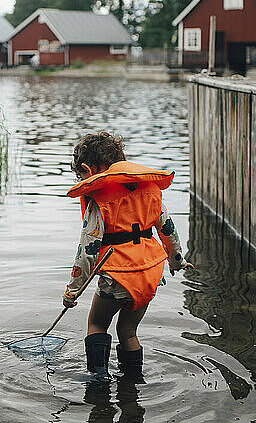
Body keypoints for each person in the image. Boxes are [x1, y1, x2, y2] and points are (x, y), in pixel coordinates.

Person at [63, 131, 194, 383]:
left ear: (87, 169)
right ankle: (133, 383)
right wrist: (176, 261)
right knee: (128, 331)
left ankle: (98, 383)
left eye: (81, 176)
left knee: (97, 324)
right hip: (149, 275)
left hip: (118, 276)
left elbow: (88, 250)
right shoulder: (150, 189)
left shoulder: (99, 198)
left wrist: (73, 291)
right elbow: (167, 229)